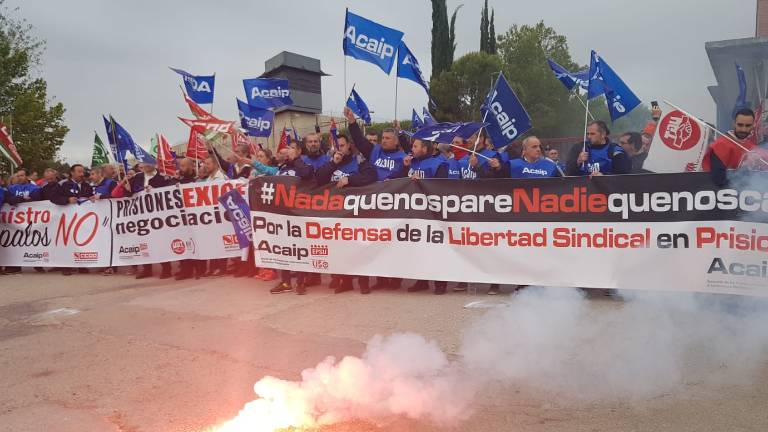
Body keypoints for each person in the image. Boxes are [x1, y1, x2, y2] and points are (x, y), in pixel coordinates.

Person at [316, 134, 378, 294]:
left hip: (355, 213)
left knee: (359, 247)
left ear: (349, 146)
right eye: (337, 147)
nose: (340, 149)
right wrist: (332, 163)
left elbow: (371, 176)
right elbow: (319, 179)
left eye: (342, 146)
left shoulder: (358, 160)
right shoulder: (330, 161)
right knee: (339, 248)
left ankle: (364, 281)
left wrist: (350, 180)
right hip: (335, 213)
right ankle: (345, 281)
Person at [271, 141, 315, 295]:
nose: (288, 150)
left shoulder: (304, 164)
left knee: (299, 248)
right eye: (288, 148)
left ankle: (301, 281)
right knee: (284, 248)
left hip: (298, 214)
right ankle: (285, 281)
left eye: (292, 148)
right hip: (282, 215)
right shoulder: (282, 168)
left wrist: (296, 159)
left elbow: (307, 175)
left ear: (299, 151)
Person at [123, 162, 175, 279]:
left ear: (154, 164)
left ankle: (166, 268)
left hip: (157, 215)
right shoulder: (138, 177)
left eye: (147, 163)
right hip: (141, 215)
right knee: (144, 242)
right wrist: (127, 189)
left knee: (160, 241)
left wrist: (156, 190)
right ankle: (147, 269)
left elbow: (168, 192)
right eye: (143, 164)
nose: (144, 166)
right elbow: (129, 193)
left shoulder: (161, 177)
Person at [51, 164, 95, 276]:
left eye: (82, 171)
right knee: (67, 241)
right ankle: (66, 266)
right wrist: (67, 200)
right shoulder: (63, 184)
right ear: (72, 173)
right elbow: (53, 198)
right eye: (79, 172)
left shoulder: (87, 185)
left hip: (82, 218)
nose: (81, 174)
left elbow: (91, 197)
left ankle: (82, 265)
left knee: (82, 240)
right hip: (66, 218)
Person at [344, 106, 408, 182]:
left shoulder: (403, 158)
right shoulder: (375, 151)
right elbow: (359, 140)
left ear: (396, 141)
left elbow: (406, 178)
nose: (384, 140)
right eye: (383, 138)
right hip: (372, 191)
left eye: (387, 138)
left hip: (392, 191)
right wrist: (352, 121)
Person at [702, 108, 758, 186]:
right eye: (740, 125)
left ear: (753, 125)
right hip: (724, 194)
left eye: (748, 126)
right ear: (734, 123)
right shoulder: (721, 145)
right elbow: (717, 178)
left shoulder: (752, 147)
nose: (743, 129)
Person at [566, 120, 631, 176]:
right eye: (587, 134)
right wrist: (578, 162)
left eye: (592, 134)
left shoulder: (616, 151)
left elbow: (623, 177)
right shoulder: (578, 148)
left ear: (603, 134)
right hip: (582, 188)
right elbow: (568, 173)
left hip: (607, 189)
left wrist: (603, 176)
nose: (589, 136)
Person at [479, 136, 560, 179]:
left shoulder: (551, 166)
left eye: (539, 146)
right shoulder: (512, 164)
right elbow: (498, 179)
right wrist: (497, 167)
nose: (538, 149)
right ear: (524, 150)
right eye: (534, 147)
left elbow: (563, 185)